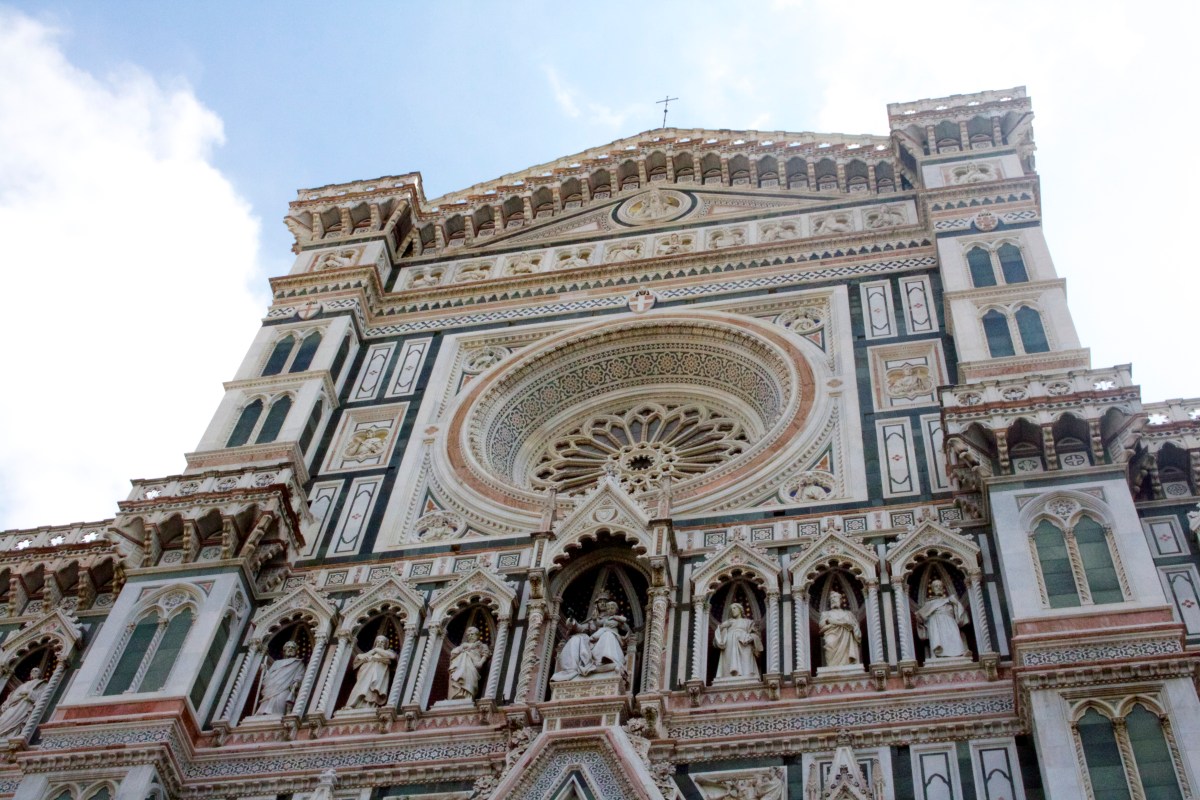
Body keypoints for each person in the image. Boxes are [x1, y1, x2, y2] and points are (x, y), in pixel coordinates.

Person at [914, 579, 969, 658]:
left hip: (950, 621)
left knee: (954, 635)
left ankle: (960, 652)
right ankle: (937, 654)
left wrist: (956, 603)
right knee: (937, 636)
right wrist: (920, 618)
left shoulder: (950, 600)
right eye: (936, 586)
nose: (938, 587)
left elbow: (961, 615)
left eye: (940, 586)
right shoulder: (929, 603)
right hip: (935, 623)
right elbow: (921, 616)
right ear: (932, 589)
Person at [254, 640, 306, 715]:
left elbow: (300, 675)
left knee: (280, 700)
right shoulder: (276, 663)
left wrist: (297, 682)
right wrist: (264, 670)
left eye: (293, 647)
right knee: (266, 704)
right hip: (271, 688)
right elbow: (268, 677)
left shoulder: (298, 663)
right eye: (288, 647)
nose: (290, 649)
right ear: (284, 650)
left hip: (285, 688)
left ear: (296, 650)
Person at [713, 603, 763, 680]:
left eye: (734, 608)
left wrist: (749, 638)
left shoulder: (748, 622)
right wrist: (722, 627)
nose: (733, 610)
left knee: (746, 666)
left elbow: (757, 635)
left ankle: (747, 676)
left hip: (744, 644)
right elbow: (717, 640)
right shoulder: (728, 623)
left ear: (740, 610)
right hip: (729, 645)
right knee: (729, 663)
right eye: (731, 609)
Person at [346, 634, 396, 709]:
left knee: (373, 692)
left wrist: (377, 650)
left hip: (379, 675)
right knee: (362, 688)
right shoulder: (369, 653)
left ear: (386, 645)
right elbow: (357, 660)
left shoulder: (387, 652)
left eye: (382, 642)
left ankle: (369, 706)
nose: (379, 643)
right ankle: (354, 704)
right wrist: (369, 655)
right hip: (366, 674)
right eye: (378, 642)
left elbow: (392, 656)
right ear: (375, 643)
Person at [0, 668, 46, 739]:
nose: (33, 672)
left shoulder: (42, 684)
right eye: (32, 671)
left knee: (16, 723)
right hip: (14, 705)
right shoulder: (24, 685)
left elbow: (41, 697)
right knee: (4, 718)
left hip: (25, 705)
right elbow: (13, 695)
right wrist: (7, 703)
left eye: (36, 671)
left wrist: (29, 693)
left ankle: (10, 736)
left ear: (40, 674)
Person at [819, 591, 861, 667]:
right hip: (832, 634)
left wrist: (836, 622)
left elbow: (855, 627)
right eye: (831, 598)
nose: (833, 599)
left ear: (841, 600)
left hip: (846, 638)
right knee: (829, 643)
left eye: (835, 597)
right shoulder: (826, 614)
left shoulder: (848, 614)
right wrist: (841, 623)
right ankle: (831, 667)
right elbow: (821, 626)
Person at [447, 626, 491, 700]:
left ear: (477, 635)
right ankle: (458, 693)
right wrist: (465, 648)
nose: (470, 636)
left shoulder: (482, 646)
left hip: (473, 666)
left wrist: (480, 662)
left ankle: (467, 695)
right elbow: (453, 653)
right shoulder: (464, 645)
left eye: (472, 634)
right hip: (461, 665)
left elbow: (485, 655)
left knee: (469, 679)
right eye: (469, 635)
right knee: (459, 675)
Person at [590, 599, 630, 677]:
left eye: (612, 608)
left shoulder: (617, 619)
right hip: (604, 635)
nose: (610, 610)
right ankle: (600, 658)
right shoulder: (605, 620)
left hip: (613, 636)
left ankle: (609, 657)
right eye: (608, 609)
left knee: (608, 634)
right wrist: (595, 619)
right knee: (605, 634)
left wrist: (617, 619)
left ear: (616, 610)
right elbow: (598, 623)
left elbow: (625, 626)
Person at [551, 617, 595, 681]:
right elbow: (581, 628)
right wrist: (574, 623)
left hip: (597, 641)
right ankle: (571, 669)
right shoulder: (593, 620)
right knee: (575, 639)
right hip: (589, 641)